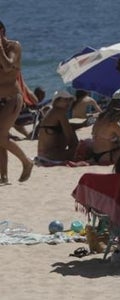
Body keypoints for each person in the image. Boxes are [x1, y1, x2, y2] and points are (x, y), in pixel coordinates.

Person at [0, 21, 34, 183]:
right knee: (1, 138)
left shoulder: (14, 46)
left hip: (12, 98)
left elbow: (8, 66)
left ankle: (26, 162)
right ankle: (3, 176)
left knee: (0, 137)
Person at [36, 90, 87, 163]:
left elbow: (67, 126)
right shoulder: (59, 112)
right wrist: (76, 149)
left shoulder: (52, 111)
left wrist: (83, 124)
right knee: (85, 150)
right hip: (51, 156)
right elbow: (69, 136)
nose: (68, 103)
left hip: (43, 155)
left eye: (69, 100)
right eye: (65, 100)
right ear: (57, 101)